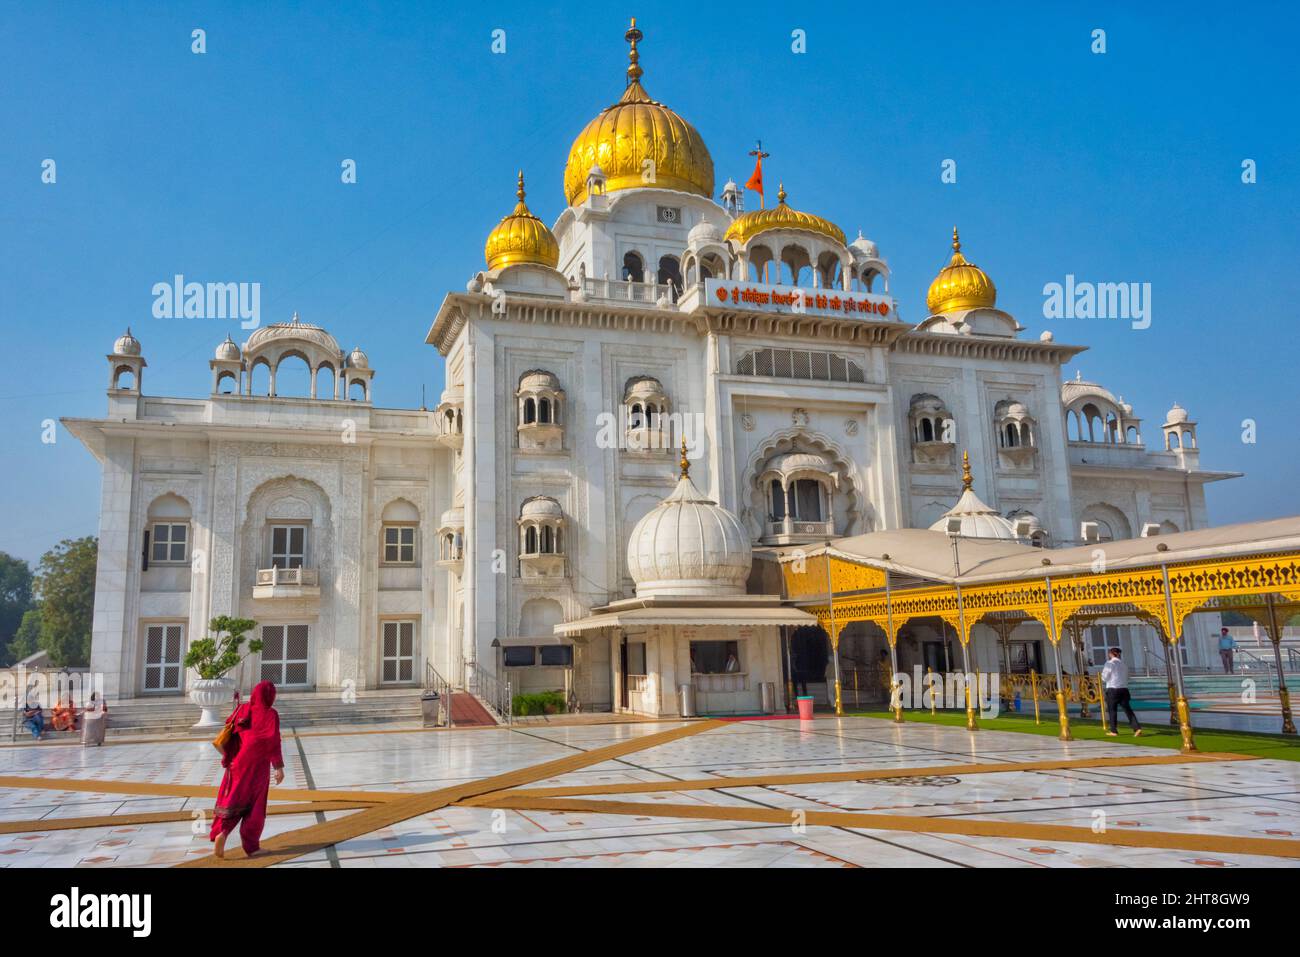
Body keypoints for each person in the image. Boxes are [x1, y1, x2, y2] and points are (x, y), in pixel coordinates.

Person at [209, 680, 284, 859]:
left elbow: (230, 728)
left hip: (237, 763)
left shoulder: (242, 709)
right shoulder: (270, 714)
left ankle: (223, 832)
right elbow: (273, 741)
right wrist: (278, 767)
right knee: (255, 806)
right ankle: (252, 847)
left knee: (234, 799)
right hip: (258, 766)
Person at [1101, 647, 1142, 737]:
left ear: (1111, 654)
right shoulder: (1124, 664)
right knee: (1128, 710)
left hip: (1113, 689)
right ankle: (1137, 728)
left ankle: (1114, 730)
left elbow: (1104, 677)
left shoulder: (1109, 663)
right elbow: (1127, 677)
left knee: (1112, 710)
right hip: (1124, 689)